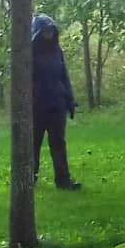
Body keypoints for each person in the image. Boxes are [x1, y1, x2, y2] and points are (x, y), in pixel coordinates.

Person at [30, 14, 81, 190]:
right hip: (36, 106)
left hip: (57, 105)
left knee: (58, 144)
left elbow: (64, 76)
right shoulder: (29, 52)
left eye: (51, 30)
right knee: (33, 145)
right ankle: (29, 180)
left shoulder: (57, 51)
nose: (49, 33)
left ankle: (63, 180)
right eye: (45, 30)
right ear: (38, 32)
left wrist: (70, 100)